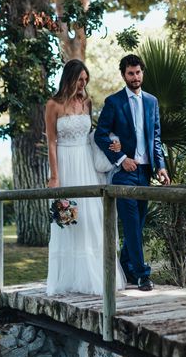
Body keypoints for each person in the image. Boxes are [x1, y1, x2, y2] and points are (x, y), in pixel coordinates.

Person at [45, 59, 127, 296]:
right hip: (65, 164)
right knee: (69, 220)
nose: (83, 83)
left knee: (92, 218)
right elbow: (51, 141)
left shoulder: (88, 103)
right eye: (80, 79)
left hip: (87, 165)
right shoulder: (54, 104)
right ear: (69, 79)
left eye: (85, 79)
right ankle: (69, 279)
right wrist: (54, 176)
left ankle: (96, 277)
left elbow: (92, 135)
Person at [94, 54, 170, 291]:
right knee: (132, 225)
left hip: (146, 173)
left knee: (138, 224)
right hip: (124, 173)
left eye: (138, 73)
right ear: (123, 75)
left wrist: (161, 166)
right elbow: (100, 134)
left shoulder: (152, 101)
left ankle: (126, 266)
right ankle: (142, 275)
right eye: (130, 74)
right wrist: (121, 158)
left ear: (142, 73)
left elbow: (156, 138)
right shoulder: (114, 102)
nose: (135, 77)